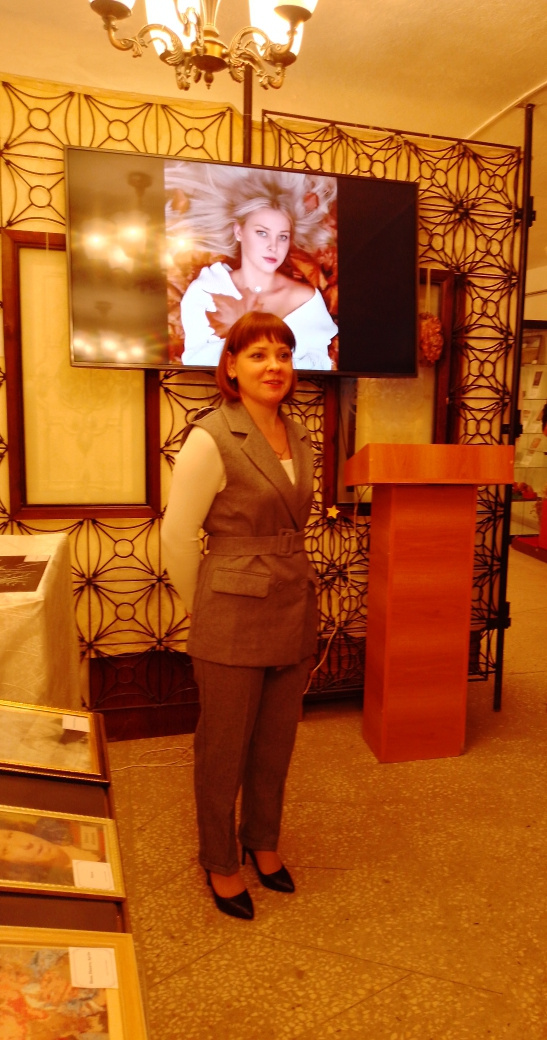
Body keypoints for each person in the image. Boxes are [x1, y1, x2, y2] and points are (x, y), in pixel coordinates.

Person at [161, 311, 319, 920]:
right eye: (257, 354)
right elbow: (178, 536)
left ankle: (262, 839)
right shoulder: (211, 436)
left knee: (276, 741)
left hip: (291, 598)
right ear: (231, 366)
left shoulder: (297, 433)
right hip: (230, 607)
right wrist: (201, 606)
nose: (274, 365)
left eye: (283, 353)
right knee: (223, 746)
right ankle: (220, 858)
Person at [164, 162, 338, 369]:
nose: (273, 246)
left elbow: (320, 365)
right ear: (239, 231)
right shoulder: (207, 289)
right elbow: (197, 361)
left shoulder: (305, 300)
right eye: (262, 233)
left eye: (282, 237)